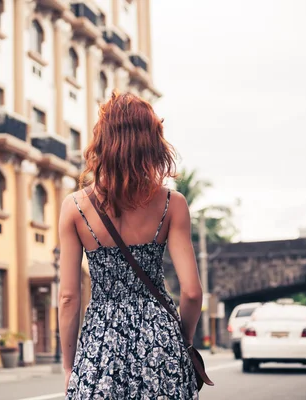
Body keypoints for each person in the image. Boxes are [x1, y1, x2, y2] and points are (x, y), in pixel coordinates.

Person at [58, 92, 202, 399]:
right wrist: (181, 341)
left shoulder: (74, 207)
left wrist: (69, 366)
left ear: (102, 141)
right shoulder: (172, 204)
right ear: (152, 142)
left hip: (100, 346)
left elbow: (69, 297)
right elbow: (192, 292)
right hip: (161, 343)